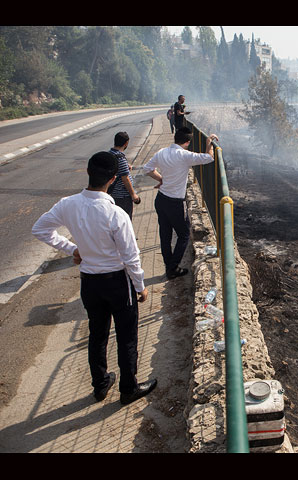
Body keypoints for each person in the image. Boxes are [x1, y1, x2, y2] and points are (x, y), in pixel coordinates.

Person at [32, 151, 157, 406]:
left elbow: (40, 229)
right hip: (117, 283)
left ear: (88, 173)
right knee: (126, 336)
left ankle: (100, 385)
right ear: (113, 179)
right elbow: (131, 256)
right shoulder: (116, 214)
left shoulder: (67, 204)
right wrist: (140, 286)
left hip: (89, 281)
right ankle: (128, 388)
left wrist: (73, 250)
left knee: (97, 333)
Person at [143, 127, 218, 279]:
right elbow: (209, 157)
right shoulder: (185, 155)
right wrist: (208, 143)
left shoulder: (162, 152)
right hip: (174, 202)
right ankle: (172, 268)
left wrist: (161, 179)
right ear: (188, 142)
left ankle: (168, 265)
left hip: (161, 199)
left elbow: (147, 169)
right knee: (184, 234)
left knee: (165, 234)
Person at [108, 131, 140, 220]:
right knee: (125, 220)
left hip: (114, 194)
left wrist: (126, 167)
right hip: (123, 196)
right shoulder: (120, 157)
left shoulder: (110, 154)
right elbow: (125, 178)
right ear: (126, 143)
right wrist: (133, 194)